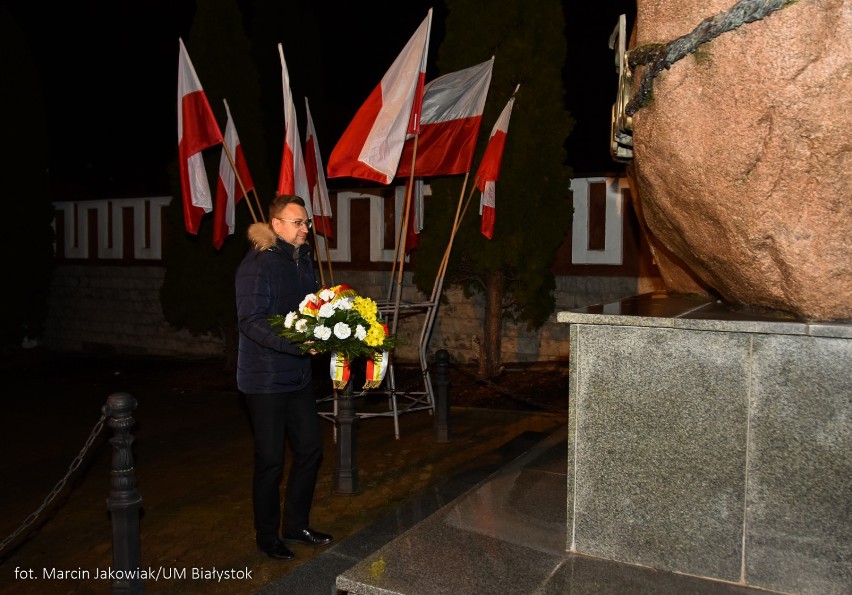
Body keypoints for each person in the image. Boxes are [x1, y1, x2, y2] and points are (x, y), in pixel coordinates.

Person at [235, 194, 333, 560]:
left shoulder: (301, 257)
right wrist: (297, 345)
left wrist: (333, 321)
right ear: (276, 225)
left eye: (306, 222)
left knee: (310, 449)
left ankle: (296, 526)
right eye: (298, 222)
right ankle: (267, 537)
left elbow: (306, 307)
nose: (306, 228)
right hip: (264, 379)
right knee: (270, 460)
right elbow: (251, 322)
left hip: (298, 377)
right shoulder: (256, 265)